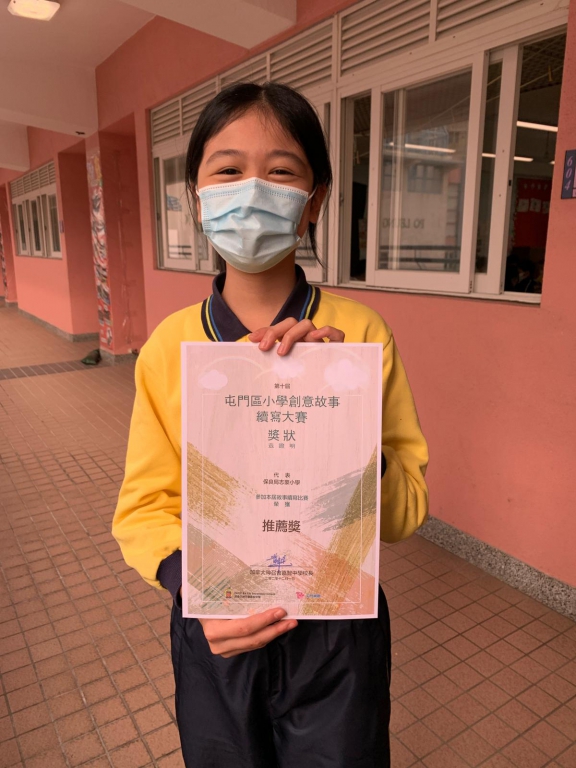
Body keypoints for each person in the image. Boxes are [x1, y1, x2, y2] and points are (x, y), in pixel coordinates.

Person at [112, 82, 429, 768]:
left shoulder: (361, 335)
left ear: (314, 201)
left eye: (281, 171)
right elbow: (143, 508)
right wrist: (189, 583)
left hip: (338, 637)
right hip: (218, 628)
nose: (252, 190)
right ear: (197, 196)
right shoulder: (170, 347)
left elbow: (405, 512)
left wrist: (346, 413)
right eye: (227, 170)